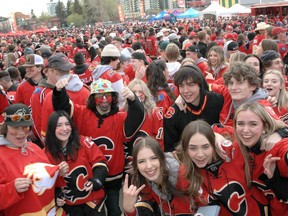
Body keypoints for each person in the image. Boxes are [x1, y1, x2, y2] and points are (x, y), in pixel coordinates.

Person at [52, 77, 144, 216]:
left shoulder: (120, 118)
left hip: (113, 177)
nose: (105, 99)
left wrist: (133, 100)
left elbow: (136, 117)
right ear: (92, 98)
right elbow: (63, 108)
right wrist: (59, 91)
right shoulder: (82, 113)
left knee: (114, 210)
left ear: (113, 98)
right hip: (88, 178)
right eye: (100, 96)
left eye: (108, 95)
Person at [179, 120, 271, 215]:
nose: (200, 154)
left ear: (213, 145)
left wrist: (279, 134)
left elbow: (253, 133)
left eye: (205, 147)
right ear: (185, 149)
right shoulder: (186, 172)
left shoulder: (235, 151)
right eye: (193, 148)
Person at [0, 103, 68, 216]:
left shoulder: (34, 148)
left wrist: (58, 173)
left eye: (25, 127)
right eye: (15, 127)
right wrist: (11, 189)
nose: (21, 133)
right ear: (5, 127)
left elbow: (46, 180)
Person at [44, 110, 108, 215]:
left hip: (92, 202)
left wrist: (96, 181)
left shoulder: (83, 142)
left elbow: (100, 162)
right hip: (69, 206)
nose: (64, 129)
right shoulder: (46, 153)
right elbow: (45, 183)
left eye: (67, 124)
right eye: (59, 125)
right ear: (52, 129)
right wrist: (56, 196)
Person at [234, 102, 288, 214]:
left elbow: (285, 150)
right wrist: (216, 137)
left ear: (265, 127)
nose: (245, 130)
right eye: (240, 124)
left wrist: (282, 134)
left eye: (253, 124)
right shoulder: (236, 146)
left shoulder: (276, 146)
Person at [123, 136, 197, 216]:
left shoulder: (185, 175)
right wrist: (129, 209)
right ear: (136, 165)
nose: (149, 166)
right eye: (141, 161)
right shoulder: (143, 183)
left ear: (162, 158)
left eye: (153, 158)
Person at [164, 65, 224, 152]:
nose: (185, 91)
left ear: (200, 84)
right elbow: (170, 149)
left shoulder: (217, 100)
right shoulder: (174, 113)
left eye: (190, 85)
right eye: (181, 86)